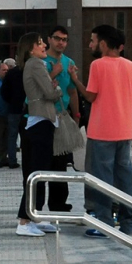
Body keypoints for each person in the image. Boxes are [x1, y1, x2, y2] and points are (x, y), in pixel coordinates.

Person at [66, 24, 132, 237]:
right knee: (124, 178)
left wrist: (75, 80)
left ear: (103, 43)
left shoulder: (98, 65)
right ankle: (128, 223)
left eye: (93, 40)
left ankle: (105, 223)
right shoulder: (130, 65)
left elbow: (90, 96)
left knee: (101, 180)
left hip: (101, 132)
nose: (91, 44)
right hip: (124, 130)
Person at [14, 33, 61, 237]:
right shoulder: (36, 64)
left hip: (38, 121)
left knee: (38, 171)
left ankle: (34, 215)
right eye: (40, 43)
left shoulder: (32, 64)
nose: (44, 46)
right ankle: (25, 221)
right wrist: (57, 88)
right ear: (30, 49)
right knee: (37, 172)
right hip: (41, 121)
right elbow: (50, 94)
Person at [44, 25, 79, 211]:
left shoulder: (69, 62)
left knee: (61, 162)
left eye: (64, 40)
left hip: (62, 118)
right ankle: (36, 206)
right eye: (57, 38)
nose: (61, 43)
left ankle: (58, 203)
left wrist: (77, 116)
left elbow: (72, 92)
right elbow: (34, 89)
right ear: (49, 39)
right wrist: (53, 73)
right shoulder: (40, 61)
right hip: (43, 118)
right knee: (43, 162)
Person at [0, 57, 25, 169]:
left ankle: (12, 160)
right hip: (26, 108)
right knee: (25, 136)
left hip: (13, 108)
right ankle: (27, 159)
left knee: (12, 136)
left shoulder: (10, 74)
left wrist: (10, 101)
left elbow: (4, 91)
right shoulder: (26, 71)